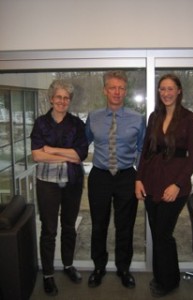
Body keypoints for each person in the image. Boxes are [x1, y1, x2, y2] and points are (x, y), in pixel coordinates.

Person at [135, 73, 193, 297]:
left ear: (179, 90)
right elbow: (145, 152)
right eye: (162, 89)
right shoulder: (154, 116)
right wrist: (138, 179)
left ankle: (169, 281)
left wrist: (177, 185)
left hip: (175, 186)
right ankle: (163, 276)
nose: (166, 93)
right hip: (152, 182)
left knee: (163, 233)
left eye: (170, 88)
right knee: (158, 233)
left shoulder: (189, 118)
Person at [85, 70, 145, 289]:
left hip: (126, 176)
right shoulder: (93, 117)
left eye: (121, 88)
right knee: (98, 225)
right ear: (105, 90)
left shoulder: (138, 119)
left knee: (125, 226)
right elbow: (83, 143)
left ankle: (123, 268)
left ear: (125, 91)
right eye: (113, 87)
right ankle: (98, 267)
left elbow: (142, 149)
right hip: (100, 176)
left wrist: (140, 177)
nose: (117, 92)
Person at [30, 79, 88, 296]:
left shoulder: (77, 124)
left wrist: (50, 150)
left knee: (69, 226)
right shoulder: (40, 123)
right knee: (49, 229)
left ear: (69, 100)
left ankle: (67, 264)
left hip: (72, 181)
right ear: (51, 98)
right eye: (58, 97)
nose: (62, 101)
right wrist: (66, 153)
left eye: (66, 97)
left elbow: (79, 154)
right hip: (47, 184)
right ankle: (47, 274)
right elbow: (36, 155)